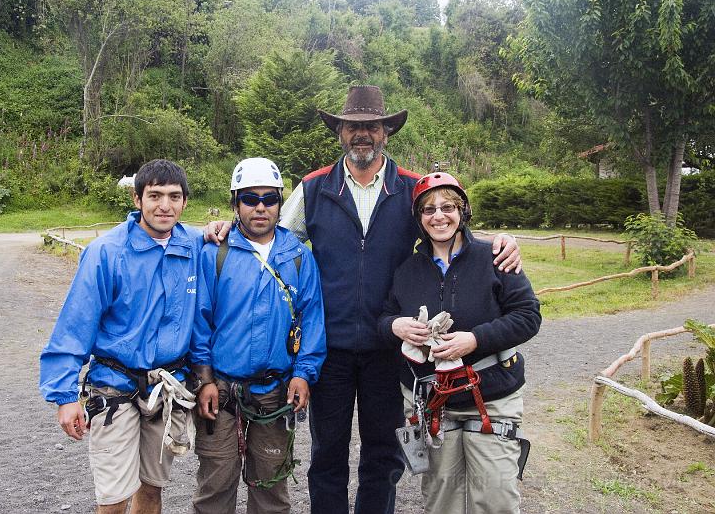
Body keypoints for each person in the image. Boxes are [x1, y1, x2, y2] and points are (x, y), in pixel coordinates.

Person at [204, 85, 521, 514]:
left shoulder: (410, 188)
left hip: (390, 349)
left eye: (371, 126)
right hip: (329, 348)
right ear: (340, 133)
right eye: (353, 127)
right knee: (327, 453)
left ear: (386, 132)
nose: (362, 135)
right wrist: (224, 226)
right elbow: (270, 237)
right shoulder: (314, 188)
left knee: (382, 455)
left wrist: (501, 241)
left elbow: (448, 227)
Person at [39, 159, 201, 514]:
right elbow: (75, 324)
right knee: (113, 497)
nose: (164, 205)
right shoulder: (107, 253)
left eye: (174, 196)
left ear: (186, 202)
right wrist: (64, 396)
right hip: (114, 386)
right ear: (137, 198)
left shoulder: (194, 247)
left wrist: (221, 226)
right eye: (154, 195)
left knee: (152, 488)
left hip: (167, 386)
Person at [378, 172, 541, 513]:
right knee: (441, 501)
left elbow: (528, 315)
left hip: (491, 396)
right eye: (428, 209)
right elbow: (383, 319)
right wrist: (397, 326)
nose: (439, 216)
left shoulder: (495, 258)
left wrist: (475, 339)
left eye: (448, 206)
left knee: (495, 499)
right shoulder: (406, 271)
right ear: (419, 219)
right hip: (433, 401)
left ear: (463, 211)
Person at [190, 157, 327, 514]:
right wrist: (203, 378)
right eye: (250, 198)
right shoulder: (214, 254)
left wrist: (303, 374)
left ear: (282, 203)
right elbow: (199, 321)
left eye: (270, 198)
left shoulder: (298, 257)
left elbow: (312, 320)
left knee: (272, 493)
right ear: (235, 203)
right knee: (214, 489)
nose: (261, 207)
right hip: (221, 392)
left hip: (275, 393)